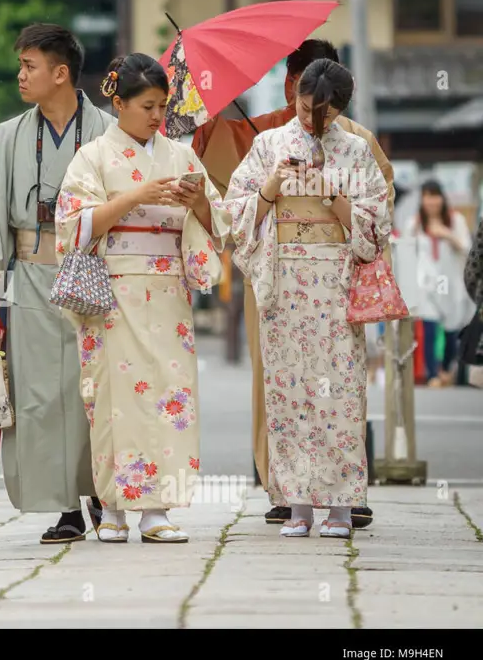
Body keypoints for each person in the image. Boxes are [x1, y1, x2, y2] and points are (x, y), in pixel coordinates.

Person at [192, 38, 389, 529]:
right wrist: (270, 187)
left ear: (341, 107)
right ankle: (297, 503)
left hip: (336, 284)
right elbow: (234, 215)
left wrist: (335, 198)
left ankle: (341, 505)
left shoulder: (357, 149)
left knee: (340, 392)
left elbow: (376, 226)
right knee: (288, 392)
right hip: (284, 284)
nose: (312, 121)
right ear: (293, 94)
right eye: (304, 108)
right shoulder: (269, 145)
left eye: (323, 113)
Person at [0, 23, 114, 543]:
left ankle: (104, 493)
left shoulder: (109, 134)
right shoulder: (7, 136)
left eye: (30, 66)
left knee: (96, 390)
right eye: (20, 66)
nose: (20, 76)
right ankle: (66, 504)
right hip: (30, 279)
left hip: (95, 276)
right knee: (41, 395)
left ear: (60, 73)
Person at [54, 54, 225, 543]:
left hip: (168, 290)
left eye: (161, 106)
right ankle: (112, 508)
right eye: (146, 106)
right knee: (112, 397)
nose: (156, 116)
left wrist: (198, 205)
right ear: (118, 103)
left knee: (172, 394)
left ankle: (157, 510)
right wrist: (136, 195)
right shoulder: (93, 157)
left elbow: (222, 222)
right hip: (113, 291)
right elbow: (73, 225)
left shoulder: (181, 156)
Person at [405, 179, 476, 386]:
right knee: (429, 327)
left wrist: (446, 235)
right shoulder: (415, 223)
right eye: (427, 196)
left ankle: (446, 369)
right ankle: (432, 375)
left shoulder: (456, 221)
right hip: (426, 283)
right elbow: (408, 253)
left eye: (435, 196)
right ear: (422, 199)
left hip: (449, 283)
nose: (431, 201)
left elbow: (467, 249)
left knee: (451, 329)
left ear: (442, 198)